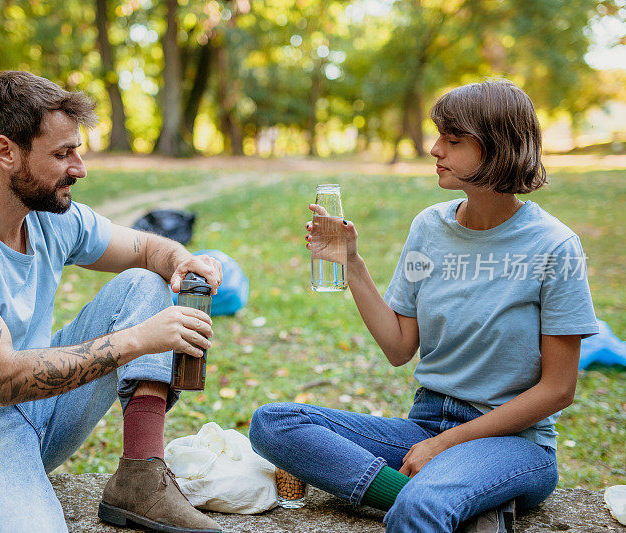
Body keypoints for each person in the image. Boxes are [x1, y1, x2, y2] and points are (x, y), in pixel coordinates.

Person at [0, 70, 224, 533]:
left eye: (76, 151)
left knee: (145, 282)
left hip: (36, 413)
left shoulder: (48, 216)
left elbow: (143, 250)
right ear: (6, 153)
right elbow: (4, 379)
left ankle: (142, 477)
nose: (79, 169)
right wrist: (139, 340)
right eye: (62, 154)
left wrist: (181, 258)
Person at [249, 79, 597, 532]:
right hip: (427, 422)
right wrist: (352, 264)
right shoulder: (429, 228)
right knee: (274, 423)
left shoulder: (555, 247)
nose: (435, 149)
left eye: (453, 140)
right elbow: (399, 348)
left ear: (498, 148)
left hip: (515, 441)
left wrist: (446, 445)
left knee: (422, 507)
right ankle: (442, 498)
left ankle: (434, 496)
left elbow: (558, 389)